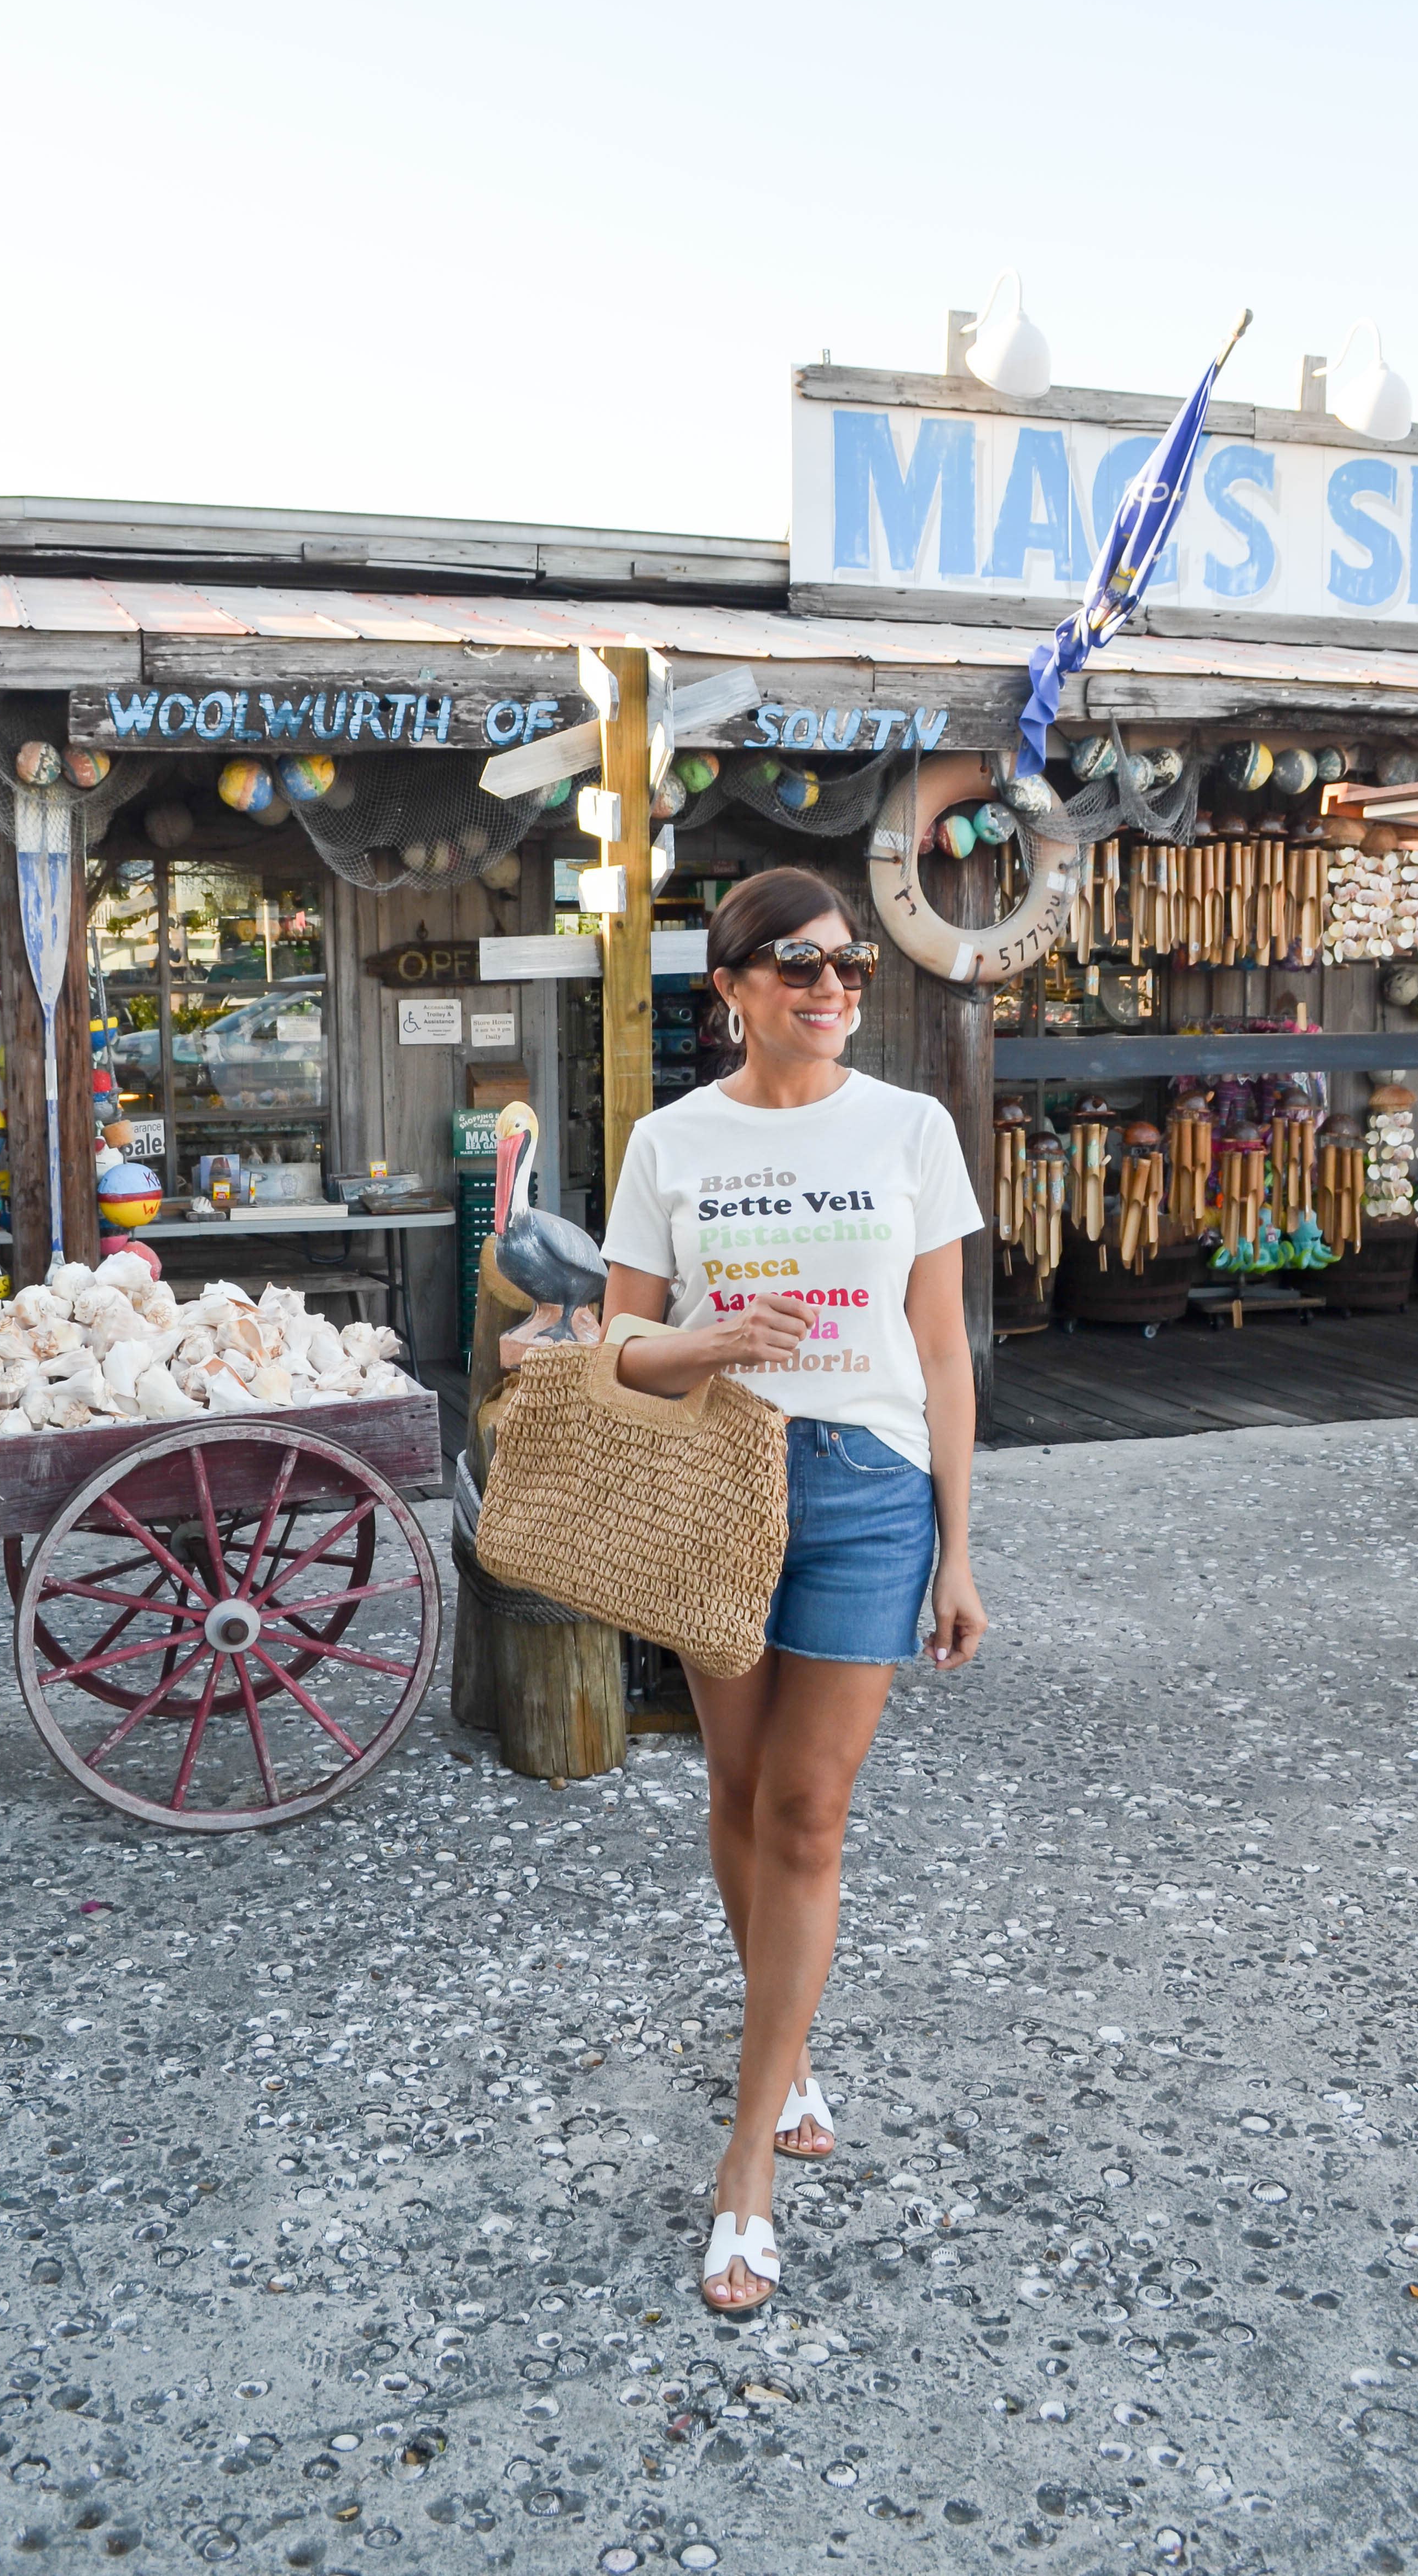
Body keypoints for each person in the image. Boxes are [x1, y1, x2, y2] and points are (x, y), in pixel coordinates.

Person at [600, 865, 987, 2312]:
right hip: (718, 1480)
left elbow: (942, 1352)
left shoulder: (910, 1127)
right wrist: (706, 1345)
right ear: (734, 990)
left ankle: (745, 2166)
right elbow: (615, 1350)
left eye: (848, 969)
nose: (830, 991)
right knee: (739, 1795)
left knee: (811, 1816)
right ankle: (794, 2044)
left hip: (872, 1493)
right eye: (799, 968)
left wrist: (959, 1547)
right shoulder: (668, 1141)